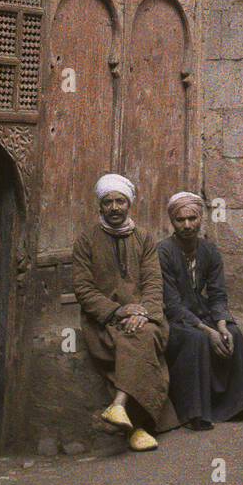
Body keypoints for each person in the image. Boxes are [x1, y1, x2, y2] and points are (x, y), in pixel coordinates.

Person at [70, 174, 177, 452]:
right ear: (100, 207)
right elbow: (83, 289)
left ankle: (119, 406)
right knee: (135, 340)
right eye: (109, 202)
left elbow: (154, 282)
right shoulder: (86, 241)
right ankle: (140, 427)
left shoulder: (144, 239)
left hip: (145, 316)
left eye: (120, 201)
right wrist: (119, 311)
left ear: (129, 205)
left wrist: (144, 313)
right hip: (104, 320)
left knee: (145, 333)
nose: (115, 207)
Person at [156, 191, 243, 430]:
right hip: (175, 317)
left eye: (192, 219)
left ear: (200, 218)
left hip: (201, 310)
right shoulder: (163, 252)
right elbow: (171, 303)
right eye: (180, 220)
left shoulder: (209, 251)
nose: (187, 225)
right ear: (172, 222)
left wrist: (221, 325)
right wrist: (207, 329)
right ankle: (195, 412)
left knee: (233, 333)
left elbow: (218, 295)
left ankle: (236, 403)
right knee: (198, 339)